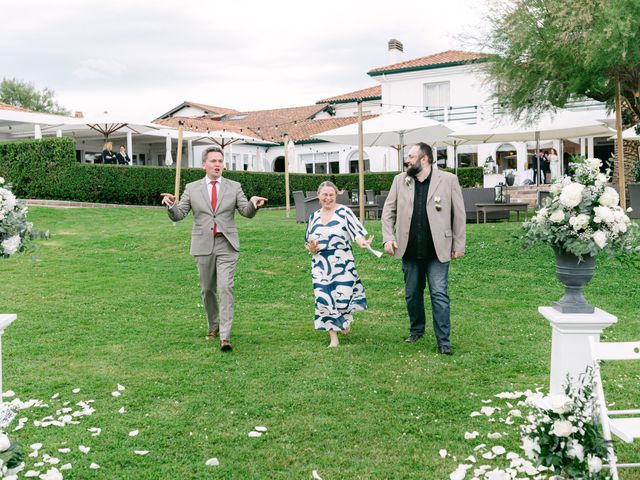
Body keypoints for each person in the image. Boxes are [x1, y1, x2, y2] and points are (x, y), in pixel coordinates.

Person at [160, 147, 267, 352]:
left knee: (225, 287)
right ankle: (213, 325)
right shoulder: (192, 188)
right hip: (203, 244)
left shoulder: (234, 187)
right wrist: (171, 205)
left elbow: (246, 211)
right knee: (207, 289)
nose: (218, 164)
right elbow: (179, 214)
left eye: (220, 161)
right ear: (204, 165)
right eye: (213, 161)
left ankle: (225, 337)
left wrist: (254, 204)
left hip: (227, 244)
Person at [381, 142, 466, 355]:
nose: (407, 160)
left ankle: (444, 341)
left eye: (410, 156)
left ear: (424, 159)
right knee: (412, 294)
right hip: (408, 249)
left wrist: (458, 244)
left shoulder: (448, 180)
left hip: (438, 250)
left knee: (439, 294)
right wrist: (387, 238)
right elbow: (388, 212)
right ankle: (416, 330)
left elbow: (459, 215)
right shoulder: (400, 181)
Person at [305, 181, 373, 348]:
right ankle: (333, 338)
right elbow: (308, 243)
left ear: (336, 196)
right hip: (320, 264)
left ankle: (344, 319)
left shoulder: (344, 212)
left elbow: (356, 233)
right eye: (325, 195)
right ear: (319, 196)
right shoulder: (313, 217)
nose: (328, 198)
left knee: (342, 300)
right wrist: (312, 248)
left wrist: (362, 242)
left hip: (343, 263)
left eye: (331, 195)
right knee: (324, 299)